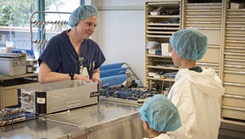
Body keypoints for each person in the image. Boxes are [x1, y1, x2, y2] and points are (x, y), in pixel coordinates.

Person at [167, 29, 225, 139]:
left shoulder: (184, 85)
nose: (172, 53)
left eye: (173, 48)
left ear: (181, 51)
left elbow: (178, 130)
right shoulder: (207, 79)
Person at [38, 5, 106, 84]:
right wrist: (73, 77)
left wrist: (95, 77)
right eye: (88, 24)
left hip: (85, 94)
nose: (92, 29)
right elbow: (43, 77)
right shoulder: (57, 44)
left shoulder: (93, 47)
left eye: (94, 26)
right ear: (76, 22)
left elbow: (95, 71)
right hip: (60, 94)